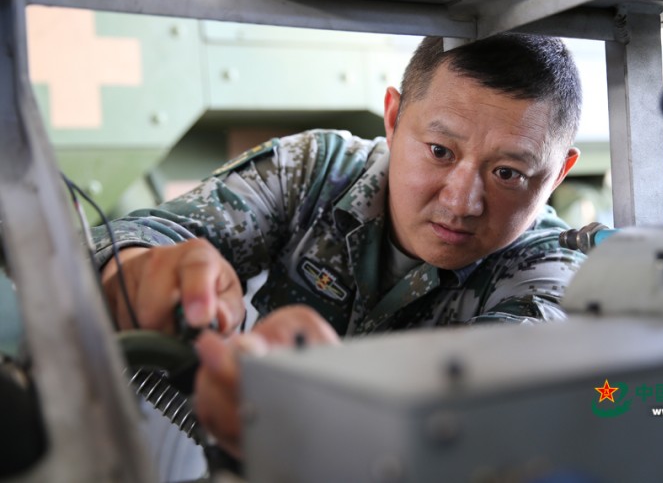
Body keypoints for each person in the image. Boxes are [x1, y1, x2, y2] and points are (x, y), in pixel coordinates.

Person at [92, 33, 584, 457]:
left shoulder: (552, 274)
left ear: (559, 173)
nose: (461, 202)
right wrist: (133, 273)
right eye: (439, 151)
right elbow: (127, 242)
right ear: (393, 118)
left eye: (507, 174)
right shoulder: (316, 171)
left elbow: (490, 414)